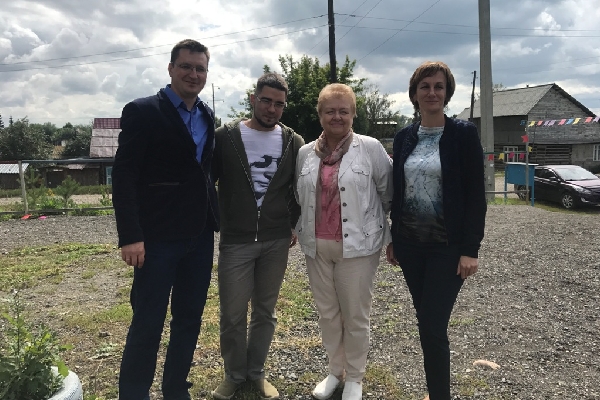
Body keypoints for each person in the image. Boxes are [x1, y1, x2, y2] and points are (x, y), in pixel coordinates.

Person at [112, 39, 219, 400]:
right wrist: (130, 235)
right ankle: (133, 394)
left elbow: (202, 171)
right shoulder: (142, 111)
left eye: (200, 68)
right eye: (186, 66)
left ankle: (176, 389)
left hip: (199, 236)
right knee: (148, 321)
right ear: (171, 68)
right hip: (156, 238)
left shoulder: (206, 114)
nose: (193, 74)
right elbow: (124, 176)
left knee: (189, 319)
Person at [386, 61, 487, 400]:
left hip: (447, 247)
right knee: (426, 320)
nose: (432, 92)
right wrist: (393, 238)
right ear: (414, 94)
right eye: (425, 86)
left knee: (432, 324)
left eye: (438, 86)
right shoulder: (404, 137)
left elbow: (475, 194)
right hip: (410, 246)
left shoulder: (463, 134)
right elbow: (398, 191)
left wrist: (470, 249)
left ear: (447, 93)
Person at [294, 83, 393, 400]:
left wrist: (389, 234)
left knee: (355, 315)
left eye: (343, 111)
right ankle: (335, 372)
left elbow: (388, 193)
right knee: (327, 314)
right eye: (330, 111)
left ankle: (355, 378)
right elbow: (299, 196)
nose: (336, 117)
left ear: (353, 114)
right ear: (320, 114)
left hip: (359, 248)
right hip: (317, 247)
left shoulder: (370, 148)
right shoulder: (305, 153)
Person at [210, 72, 305, 400]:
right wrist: (216, 220)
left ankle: (256, 372)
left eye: (279, 104)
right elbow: (207, 182)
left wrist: (293, 223)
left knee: (265, 312)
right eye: (266, 101)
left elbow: (300, 187)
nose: (272, 109)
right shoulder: (225, 137)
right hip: (236, 240)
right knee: (233, 314)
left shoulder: (293, 141)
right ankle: (234, 375)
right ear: (253, 99)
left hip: (276, 240)